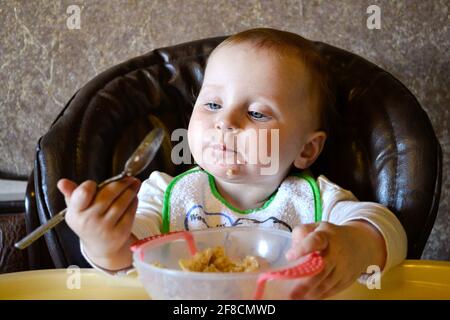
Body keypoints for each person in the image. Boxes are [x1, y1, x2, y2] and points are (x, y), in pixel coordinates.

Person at [57, 28, 407, 300]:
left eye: (256, 113)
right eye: (212, 105)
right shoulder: (165, 195)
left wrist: (354, 247)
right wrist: (103, 240)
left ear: (307, 149)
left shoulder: (315, 202)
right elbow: (128, 263)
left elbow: (386, 227)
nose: (226, 122)